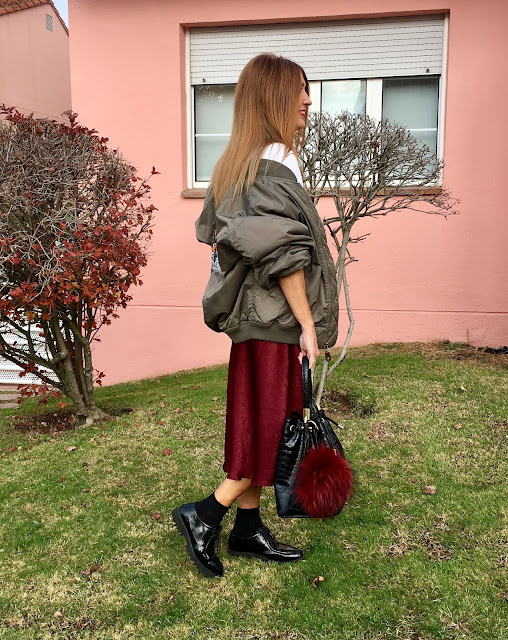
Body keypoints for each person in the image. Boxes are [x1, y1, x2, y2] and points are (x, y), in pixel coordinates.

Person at [172, 53, 338, 578]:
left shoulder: (237, 164)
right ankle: (205, 514)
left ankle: (247, 529)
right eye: (299, 91)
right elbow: (283, 252)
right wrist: (308, 326)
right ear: (273, 98)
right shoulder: (277, 162)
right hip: (274, 322)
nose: (309, 101)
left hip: (253, 320)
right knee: (274, 426)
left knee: (255, 419)